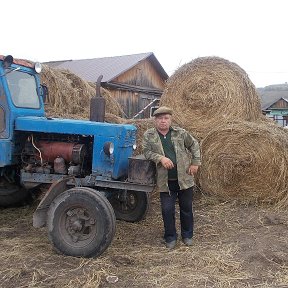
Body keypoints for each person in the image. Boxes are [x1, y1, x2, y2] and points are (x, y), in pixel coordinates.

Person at [142, 106, 201, 249]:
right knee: (167, 210)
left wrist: (195, 162)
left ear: (170, 120)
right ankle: (170, 237)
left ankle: (187, 235)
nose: (163, 121)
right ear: (155, 121)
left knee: (186, 208)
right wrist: (161, 158)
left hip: (184, 179)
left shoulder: (180, 133)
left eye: (166, 118)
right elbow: (146, 152)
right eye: (160, 118)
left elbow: (194, 145)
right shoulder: (149, 135)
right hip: (165, 182)